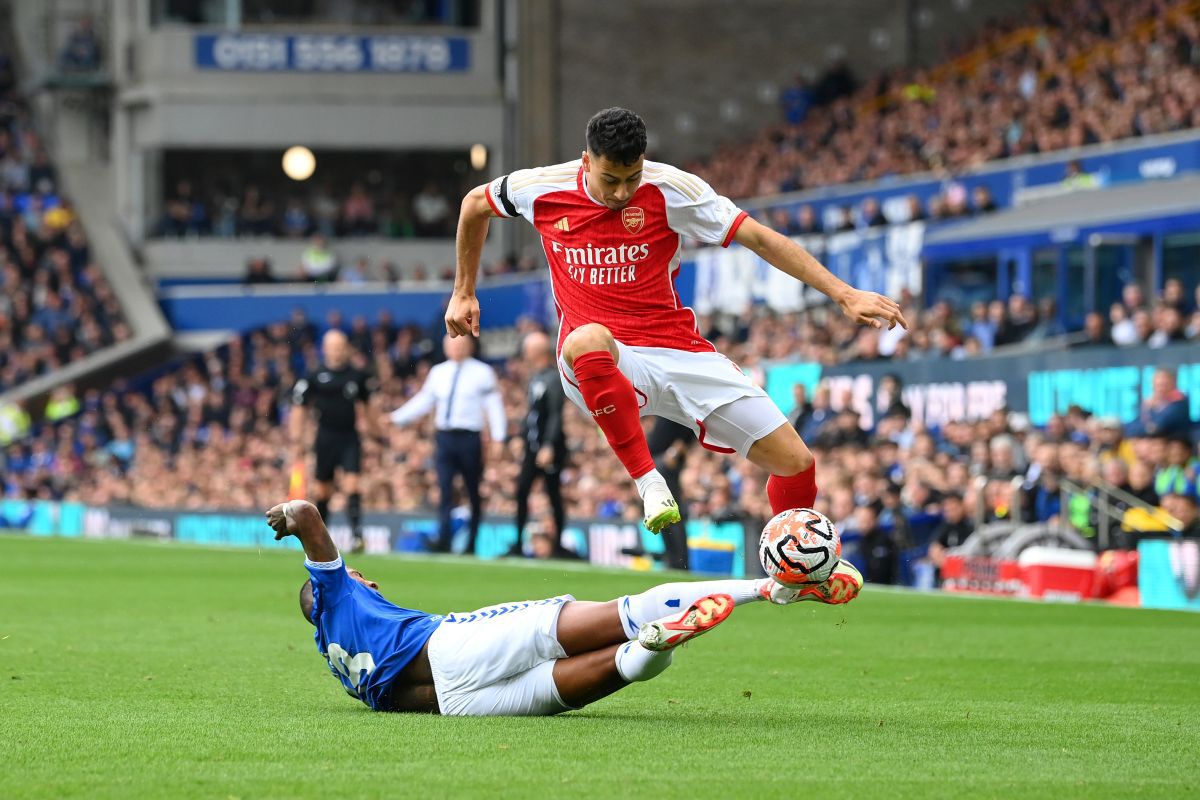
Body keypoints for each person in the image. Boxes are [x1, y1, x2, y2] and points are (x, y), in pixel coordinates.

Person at [447, 107, 905, 543]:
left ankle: (792, 575)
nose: (622, 192)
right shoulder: (542, 187)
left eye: (632, 178)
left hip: (677, 350)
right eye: (610, 179)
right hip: (598, 360)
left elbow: (759, 238)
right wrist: (464, 290)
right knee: (587, 338)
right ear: (586, 161)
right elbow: (472, 204)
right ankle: (649, 482)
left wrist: (844, 293)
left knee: (795, 462)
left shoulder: (670, 188)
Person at [267, 498, 863, 716]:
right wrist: (288, 518)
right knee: (621, 611)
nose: (367, 582)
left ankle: (650, 650)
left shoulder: (333, 652)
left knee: (597, 674)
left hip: (452, 706)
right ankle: (771, 588)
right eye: (362, 579)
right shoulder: (334, 595)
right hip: (452, 644)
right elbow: (309, 516)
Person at [390, 334, 506, 554]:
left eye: (461, 343)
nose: (456, 347)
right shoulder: (439, 372)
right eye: (452, 343)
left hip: (470, 436)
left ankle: (472, 541)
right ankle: (443, 539)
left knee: (472, 489)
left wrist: (499, 437)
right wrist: (397, 417)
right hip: (444, 436)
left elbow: (494, 406)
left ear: (470, 346)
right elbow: (424, 400)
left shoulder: (482, 373)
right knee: (444, 488)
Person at [289, 330, 379, 553]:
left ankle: (357, 536)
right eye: (333, 346)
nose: (337, 351)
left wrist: (377, 434)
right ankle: (322, 537)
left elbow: (369, 408)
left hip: (349, 436)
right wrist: (297, 440)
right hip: (325, 438)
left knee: (352, 484)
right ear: (325, 349)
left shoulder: (357, 376)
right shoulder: (314, 375)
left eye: (340, 346)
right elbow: (299, 408)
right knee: (322, 491)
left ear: (346, 348)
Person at [509, 331, 570, 558]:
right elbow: (532, 414)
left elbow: (555, 414)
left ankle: (558, 544)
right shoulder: (536, 378)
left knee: (553, 494)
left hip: (547, 447)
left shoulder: (552, 379)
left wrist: (548, 445)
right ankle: (517, 541)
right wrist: (521, 436)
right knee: (522, 490)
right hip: (532, 446)